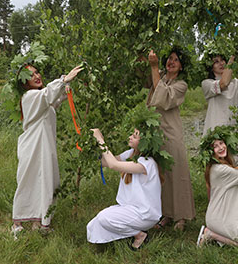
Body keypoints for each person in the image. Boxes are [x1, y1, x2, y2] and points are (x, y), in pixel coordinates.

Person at [11, 63, 83, 236]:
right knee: (29, 182)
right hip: (32, 147)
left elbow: (53, 100)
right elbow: (47, 95)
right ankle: (18, 222)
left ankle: (41, 220)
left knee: (46, 182)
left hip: (44, 146)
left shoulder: (41, 99)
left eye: (37, 72)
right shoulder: (29, 96)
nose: (37, 76)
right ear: (24, 82)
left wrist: (68, 85)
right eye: (31, 75)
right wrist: (64, 79)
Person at [86, 127, 163, 249]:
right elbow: (106, 162)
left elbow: (113, 165)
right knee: (94, 224)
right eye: (131, 134)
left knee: (103, 218)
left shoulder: (147, 163)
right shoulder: (131, 154)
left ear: (145, 143)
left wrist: (100, 140)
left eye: (135, 136)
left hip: (145, 213)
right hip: (131, 209)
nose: (130, 137)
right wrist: (92, 147)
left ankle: (139, 235)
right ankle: (130, 230)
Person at [146, 47, 195, 230]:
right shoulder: (160, 77)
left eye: (176, 60)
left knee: (178, 174)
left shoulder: (181, 85)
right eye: (169, 59)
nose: (171, 62)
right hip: (156, 134)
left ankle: (181, 217)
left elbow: (162, 99)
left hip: (172, 133)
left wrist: (154, 67)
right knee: (161, 176)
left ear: (181, 66)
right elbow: (151, 87)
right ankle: (165, 214)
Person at [201, 50, 238, 136]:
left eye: (222, 60)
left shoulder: (235, 83)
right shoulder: (207, 83)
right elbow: (224, 83)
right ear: (211, 67)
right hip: (216, 133)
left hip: (235, 132)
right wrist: (233, 57)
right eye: (216, 62)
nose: (221, 63)